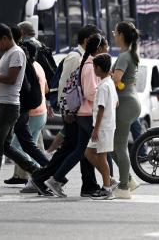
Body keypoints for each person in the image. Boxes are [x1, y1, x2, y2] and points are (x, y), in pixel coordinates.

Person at [31, 24, 102, 197]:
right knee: (74, 149)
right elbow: (65, 86)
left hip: (77, 111)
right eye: (97, 41)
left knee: (75, 148)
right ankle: (46, 178)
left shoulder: (84, 57)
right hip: (73, 112)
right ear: (87, 41)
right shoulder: (75, 57)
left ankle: (84, 184)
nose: (99, 46)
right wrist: (67, 112)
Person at [0, 24, 41, 196]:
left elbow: (11, 79)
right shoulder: (7, 54)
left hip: (7, 107)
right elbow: (4, 80)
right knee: (4, 146)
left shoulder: (16, 53)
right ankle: (37, 171)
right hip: (2, 106)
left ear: (5, 38)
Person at [44, 34, 109, 197]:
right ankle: (110, 183)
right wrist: (104, 95)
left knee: (80, 151)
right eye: (105, 47)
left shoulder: (87, 64)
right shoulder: (89, 67)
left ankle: (55, 180)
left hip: (84, 114)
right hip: (87, 114)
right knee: (100, 150)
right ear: (99, 49)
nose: (107, 50)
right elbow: (89, 92)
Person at [9, 43, 50, 189]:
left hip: (31, 112)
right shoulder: (38, 66)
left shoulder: (26, 68)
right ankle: (38, 179)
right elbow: (46, 88)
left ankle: (38, 174)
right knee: (31, 148)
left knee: (14, 146)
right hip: (41, 111)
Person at [110, 22, 142, 199]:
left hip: (125, 102)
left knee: (119, 146)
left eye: (115, 32)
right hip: (130, 101)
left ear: (121, 35)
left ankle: (123, 187)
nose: (114, 35)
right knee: (114, 146)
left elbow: (116, 81)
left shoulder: (124, 56)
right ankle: (128, 179)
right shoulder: (131, 54)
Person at [85, 54, 119, 200]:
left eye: (94, 67)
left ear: (98, 68)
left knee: (101, 156)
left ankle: (107, 188)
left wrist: (96, 128)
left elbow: (101, 108)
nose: (93, 69)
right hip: (106, 125)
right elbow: (116, 103)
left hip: (103, 127)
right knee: (89, 153)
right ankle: (109, 180)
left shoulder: (104, 86)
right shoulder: (109, 83)